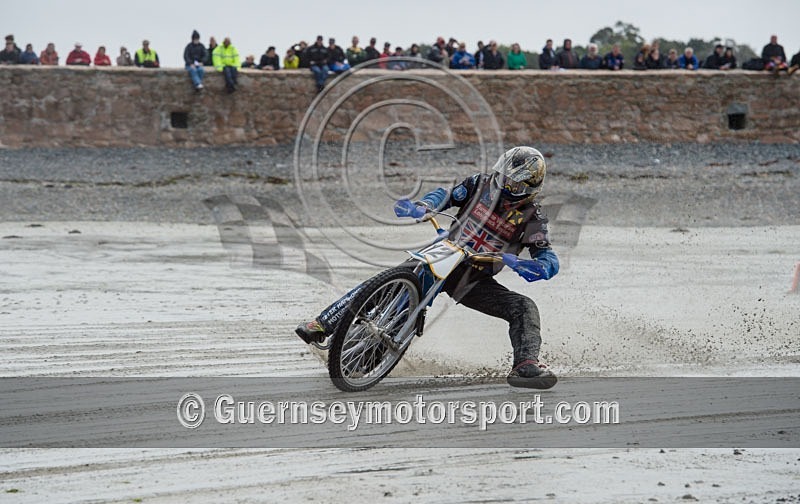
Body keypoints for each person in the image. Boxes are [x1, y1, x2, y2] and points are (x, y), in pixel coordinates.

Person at [296, 147, 560, 388]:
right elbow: (445, 196)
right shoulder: (478, 183)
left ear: (529, 187)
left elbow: (547, 256)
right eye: (502, 176)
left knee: (524, 308)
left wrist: (532, 266)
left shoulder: (534, 219)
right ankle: (323, 323)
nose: (503, 184)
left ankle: (526, 366)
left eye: (512, 183)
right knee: (385, 282)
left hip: (473, 278)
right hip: (443, 253)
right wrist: (424, 205)